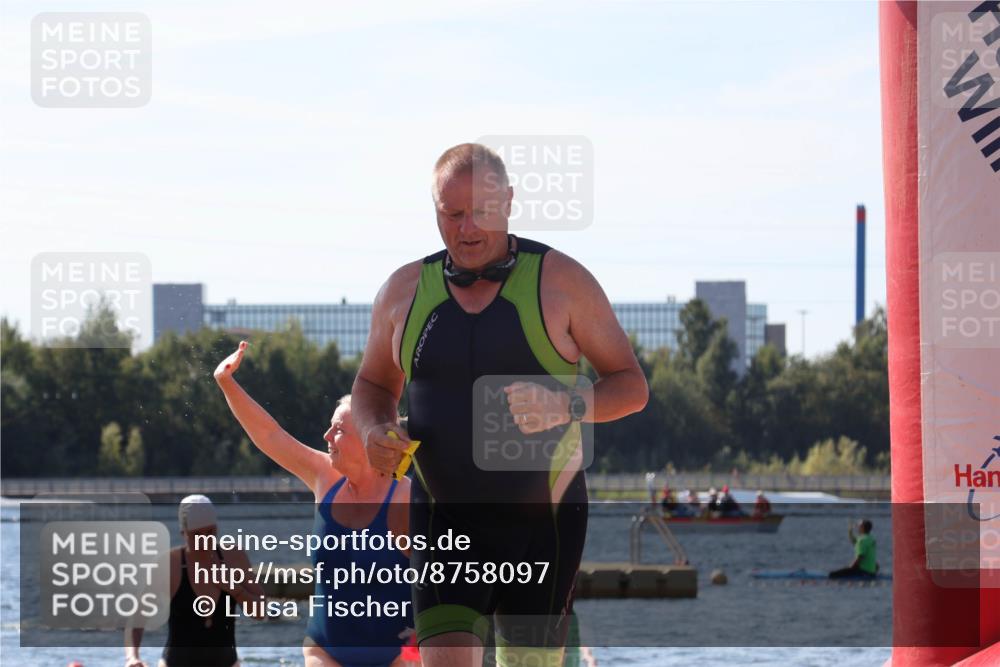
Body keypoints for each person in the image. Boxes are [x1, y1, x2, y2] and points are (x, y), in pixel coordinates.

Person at [352, 143, 649, 667]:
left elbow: (630, 386)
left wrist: (566, 405)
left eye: (483, 212)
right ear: (435, 210)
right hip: (441, 522)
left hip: (543, 526)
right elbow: (373, 384)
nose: (467, 228)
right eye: (452, 214)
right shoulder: (402, 292)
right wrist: (375, 428)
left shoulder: (562, 283)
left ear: (509, 201)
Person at [213, 342, 416, 667]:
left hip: (397, 658)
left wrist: (418, 649)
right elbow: (270, 436)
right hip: (324, 650)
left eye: (338, 430)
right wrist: (226, 382)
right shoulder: (325, 477)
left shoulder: (406, 498)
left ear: (369, 440)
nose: (326, 436)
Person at [124, 495, 265, 667]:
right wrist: (132, 657)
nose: (205, 540)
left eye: (210, 532)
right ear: (183, 533)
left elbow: (261, 612)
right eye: (197, 534)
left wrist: (235, 589)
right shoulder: (170, 564)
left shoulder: (233, 558)